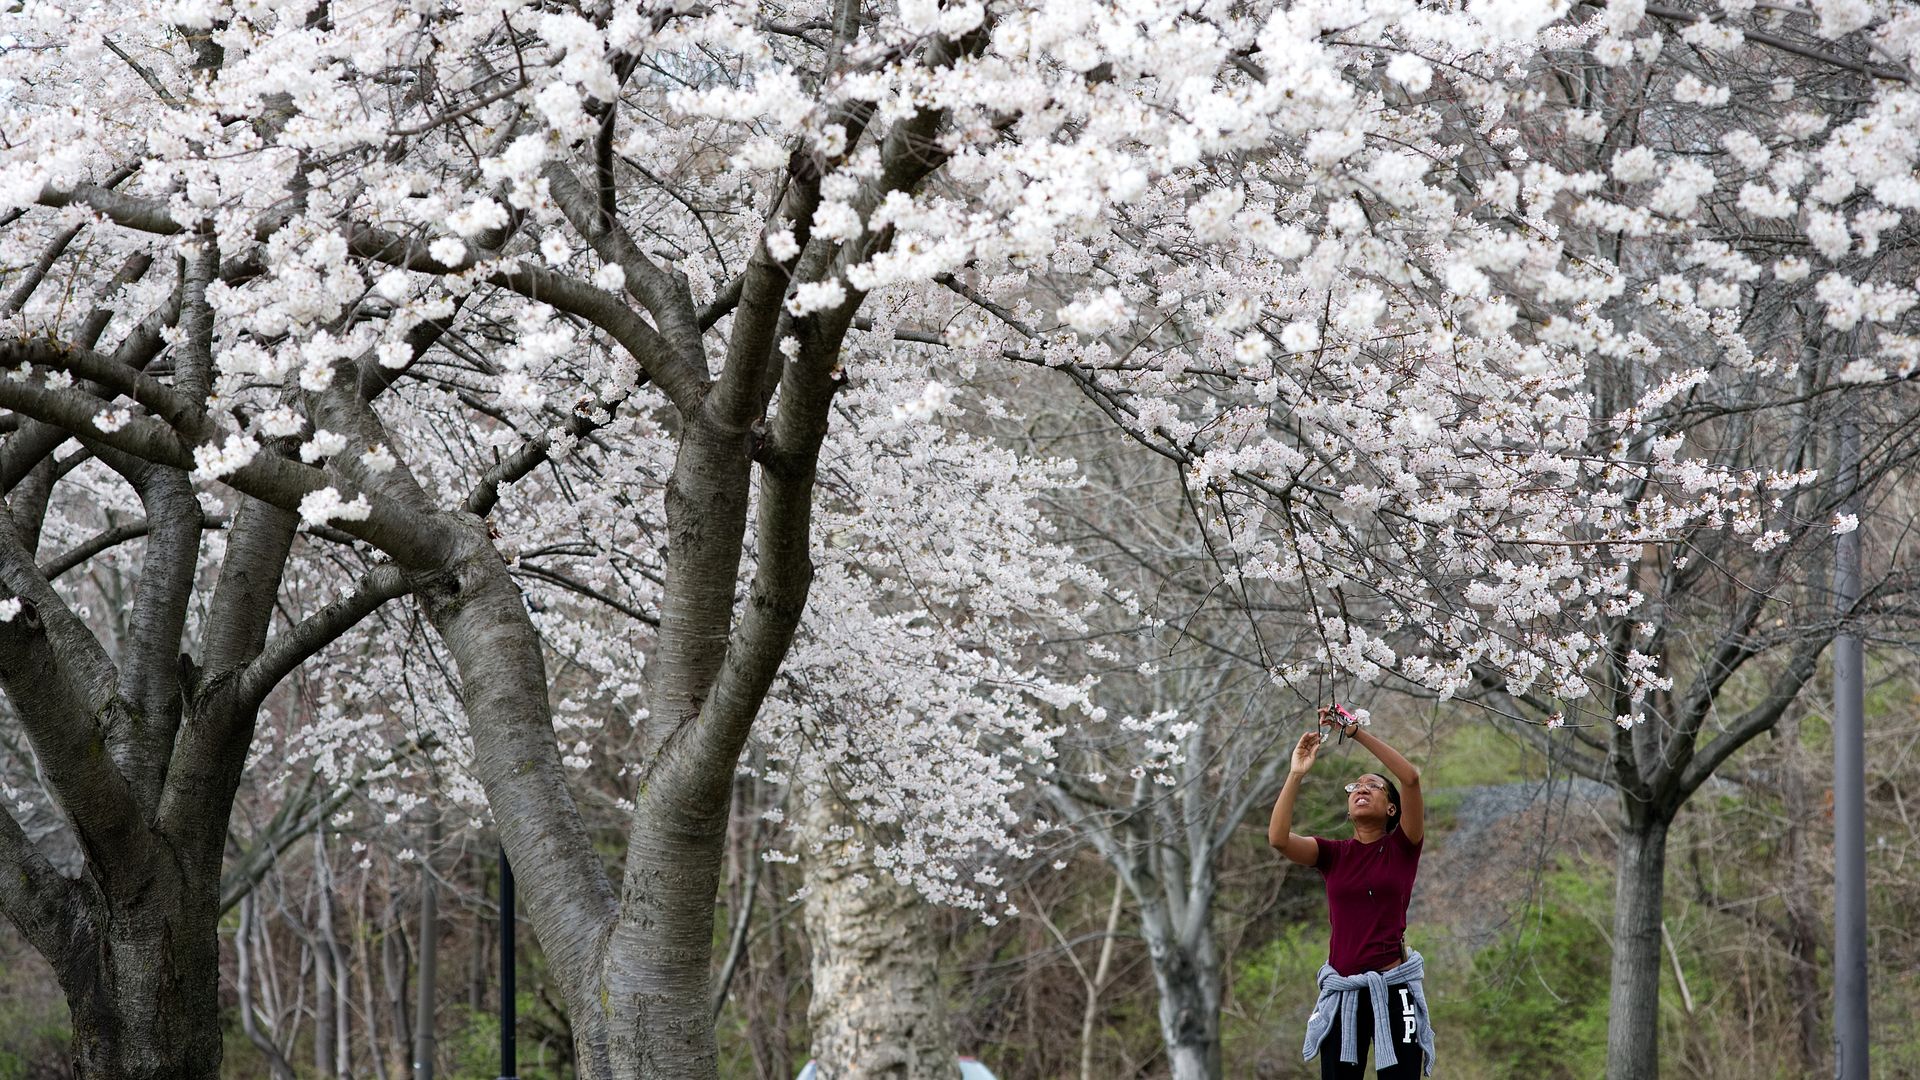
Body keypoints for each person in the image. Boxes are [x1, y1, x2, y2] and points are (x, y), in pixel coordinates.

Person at [1268, 707, 1434, 1078]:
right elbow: (1278, 839)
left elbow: (1410, 778)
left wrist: (1355, 732)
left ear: (1392, 808)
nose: (1361, 788)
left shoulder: (1403, 847)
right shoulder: (1332, 855)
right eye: (1356, 786)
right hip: (1343, 993)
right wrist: (1296, 774)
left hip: (1394, 987)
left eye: (1373, 785)